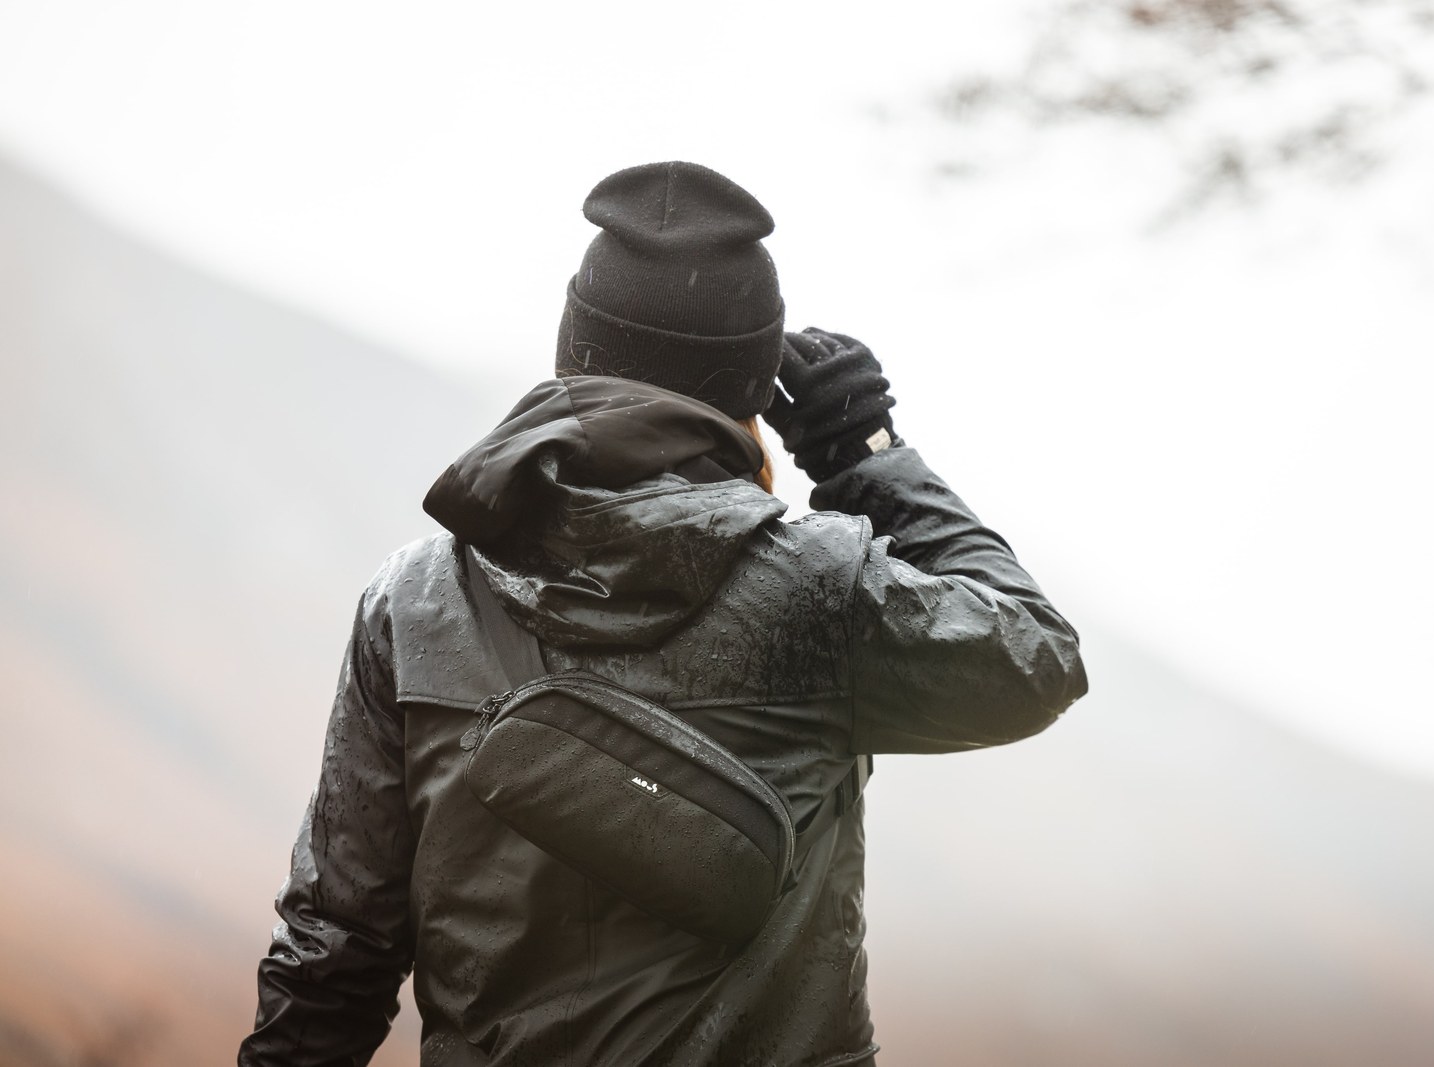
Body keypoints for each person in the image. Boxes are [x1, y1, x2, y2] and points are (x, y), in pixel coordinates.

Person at [239, 160, 1086, 1066]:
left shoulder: (413, 603)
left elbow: (336, 951)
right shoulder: (820, 591)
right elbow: (1035, 658)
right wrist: (864, 451)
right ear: (755, 391)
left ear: (574, 350)